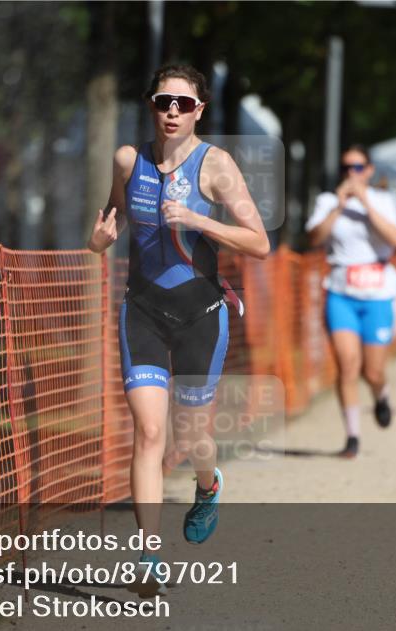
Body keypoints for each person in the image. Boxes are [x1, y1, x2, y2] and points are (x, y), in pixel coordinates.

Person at [87, 64, 268, 592]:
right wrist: (98, 242)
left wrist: (199, 220)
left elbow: (259, 242)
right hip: (142, 311)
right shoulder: (129, 160)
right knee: (149, 432)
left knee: (190, 438)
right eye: (164, 101)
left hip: (200, 315)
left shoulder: (216, 166)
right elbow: (112, 220)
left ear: (199, 111)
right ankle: (148, 556)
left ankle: (207, 487)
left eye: (183, 104)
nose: (172, 111)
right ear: (151, 105)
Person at [306, 145, 396, 458]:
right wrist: (338, 206)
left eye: (358, 167)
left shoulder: (385, 200)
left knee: (372, 371)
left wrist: (365, 203)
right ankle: (352, 437)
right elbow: (314, 238)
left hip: (378, 294)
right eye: (346, 167)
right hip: (341, 292)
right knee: (348, 365)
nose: (352, 173)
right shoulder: (327, 201)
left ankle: (381, 394)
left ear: (369, 170)